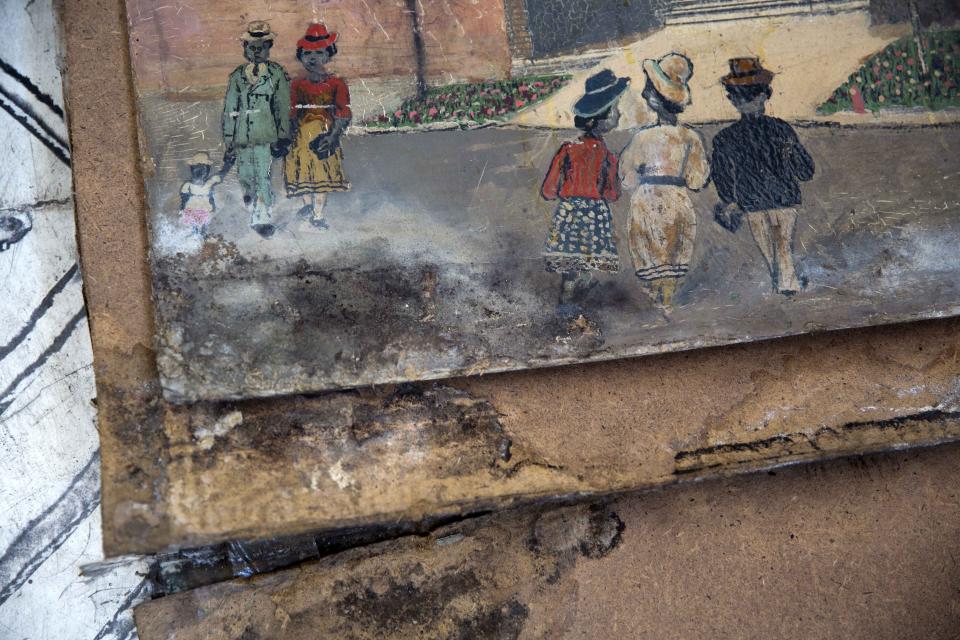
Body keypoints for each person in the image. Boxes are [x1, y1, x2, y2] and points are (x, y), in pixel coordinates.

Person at [711, 57, 815, 296]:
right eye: (748, 96)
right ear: (766, 95)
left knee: (769, 248)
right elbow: (805, 170)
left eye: (750, 95)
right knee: (783, 244)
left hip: (752, 201)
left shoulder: (725, 138)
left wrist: (730, 200)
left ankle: (781, 282)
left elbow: (722, 177)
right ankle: (787, 283)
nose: (750, 101)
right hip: (784, 197)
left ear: (731, 100)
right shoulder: (781, 129)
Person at [619, 53, 709, 310]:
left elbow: (627, 176)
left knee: (648, 250)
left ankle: (658, 298)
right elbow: (697, 179)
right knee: (673, 251)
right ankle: (667, 300)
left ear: (652, 99)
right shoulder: (690, 137)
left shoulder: (642, 138)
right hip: (676, 199)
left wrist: (641, 178)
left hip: (646, 199)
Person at [541, 69, 629, 323]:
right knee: (586, 266)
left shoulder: (568, 149)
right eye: (615, 110)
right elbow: (612, 194)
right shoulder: (607, 156)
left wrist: (569, 192)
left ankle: (567, 310)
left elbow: (548, 190)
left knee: (570, 267)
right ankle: (577, 312)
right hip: (594, 216)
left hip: (569, 213)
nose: (618, 114)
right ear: (601, 118)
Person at [222, 20, 291, 238]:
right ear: (244, 48)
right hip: (242, 135)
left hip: (265, 134)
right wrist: (229, 139)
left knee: (263, 176)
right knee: (245, 176)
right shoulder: (237, 77)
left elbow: (282, 106)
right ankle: (251, 199)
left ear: (269, 47)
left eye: (262, 47)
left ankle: (261, 219)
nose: (257, 52)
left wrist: (282, 136)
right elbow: (231, 109)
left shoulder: (276, 74)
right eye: (252, 47)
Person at [284, 23, 352, 229]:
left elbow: (343, 112)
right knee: (302, 173)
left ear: (328, 56)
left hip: (324, 134)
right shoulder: (297, 84)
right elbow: (291, 111)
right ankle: (306, 205)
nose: (312, 58)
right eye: (307, 54)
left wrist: (333, 136)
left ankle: (318, 214)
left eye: (318, 53)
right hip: (300, 137)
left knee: (321, 176)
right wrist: (288, 134)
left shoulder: (336, 83)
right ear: (300, 56)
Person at [178, 152, 229, 236]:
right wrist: (227, 165)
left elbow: (184, 199)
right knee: (196, 225)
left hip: (200, 209)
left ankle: (200, 235)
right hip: (195, 209)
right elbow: (184, 199)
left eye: (203, 169)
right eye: (198, 168)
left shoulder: (205, 183)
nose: (201, 172)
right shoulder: (189, 185)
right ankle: (197, 235)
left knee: (201, 226)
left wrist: (227, 165)